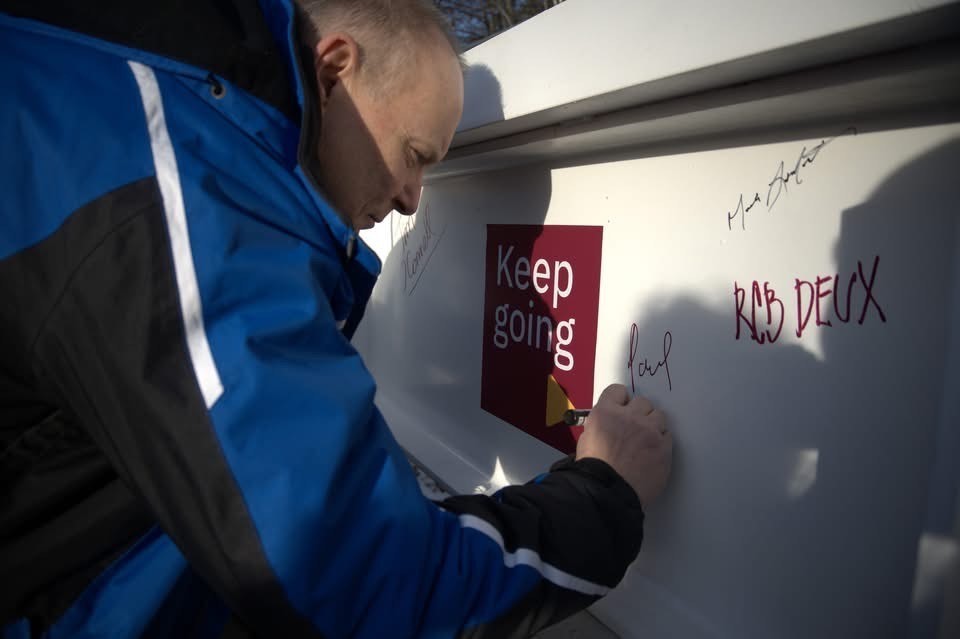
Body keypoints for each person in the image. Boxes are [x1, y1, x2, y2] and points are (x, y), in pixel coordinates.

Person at [0, 1, 673, 637]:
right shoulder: (189, 195)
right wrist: (602, 496)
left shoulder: (133, 104)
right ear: (332, 72)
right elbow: (362, 580)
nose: (413, 200)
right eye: (415, 155)